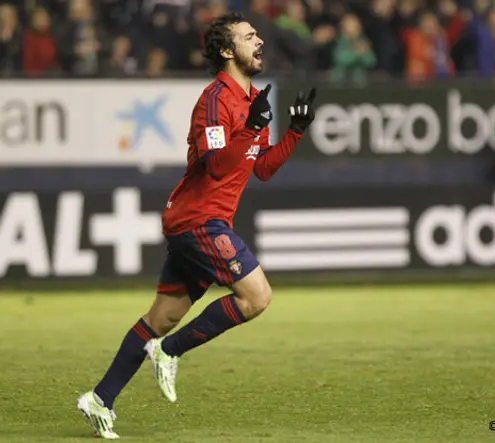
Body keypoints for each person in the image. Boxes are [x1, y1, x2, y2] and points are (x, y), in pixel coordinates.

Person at [76, 12, 316, 439]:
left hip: (207, 221)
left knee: (161, 317)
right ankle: (169, 353)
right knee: (256, 296)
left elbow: (259, 169)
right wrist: (255, 126)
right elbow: (218, 166)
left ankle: (99, 399)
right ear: (227, 51)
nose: (259, 41)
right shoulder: (214, 100)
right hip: (197, 219)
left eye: (258, 35)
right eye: (248, 37)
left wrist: (294, 132)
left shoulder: (252, 98)